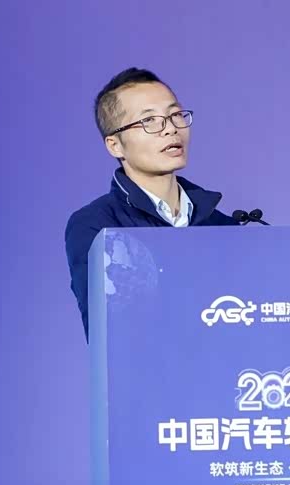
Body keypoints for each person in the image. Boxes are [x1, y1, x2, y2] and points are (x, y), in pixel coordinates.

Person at [65, 67, 240, 341]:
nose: (171, 128)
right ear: (115, 145)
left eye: (175, 115)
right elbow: (109, 335)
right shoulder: (98, 226)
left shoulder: (224, 226)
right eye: (149, 120)